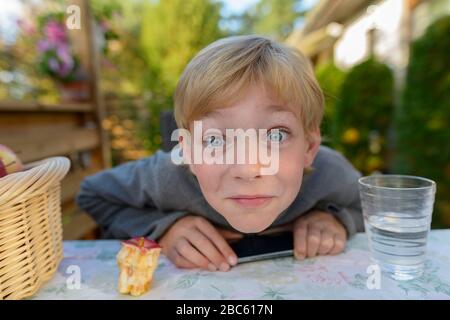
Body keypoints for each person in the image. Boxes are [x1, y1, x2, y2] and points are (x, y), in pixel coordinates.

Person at [76, 35, 364, 273]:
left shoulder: (330, 173)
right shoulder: (165, 176)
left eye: (276, 135)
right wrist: (163, 229)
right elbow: (92, 195)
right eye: (214, 140)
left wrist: (337, 219)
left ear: (309, 148)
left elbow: (373, 210)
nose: (249, 168)